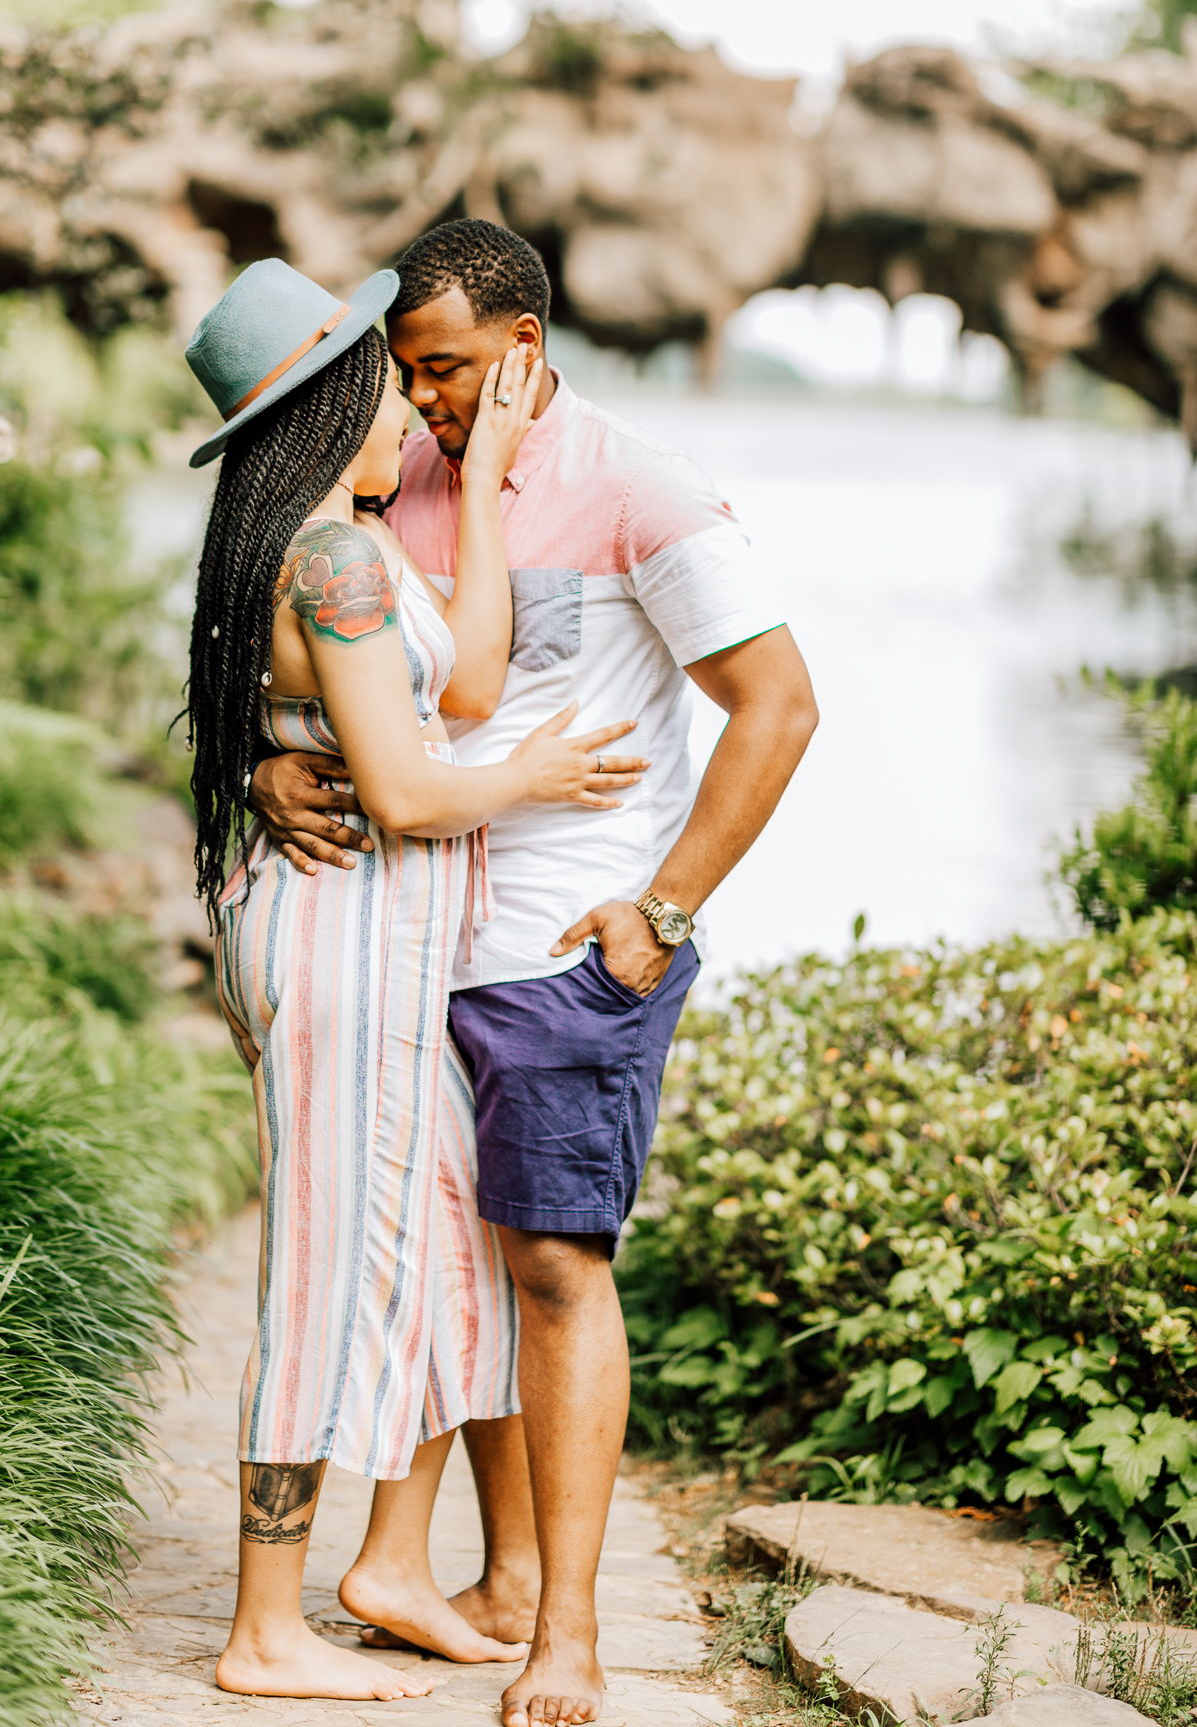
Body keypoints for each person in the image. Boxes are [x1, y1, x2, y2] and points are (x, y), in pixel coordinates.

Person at [251, 220, 819, 1727]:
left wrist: (663, 909)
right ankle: (496, 1582)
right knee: (470, 1265)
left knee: (557, 1268)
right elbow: (353, 672)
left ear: (519, 344)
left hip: (564, 955)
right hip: (406, 938)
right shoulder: (394, 471)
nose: (423, 396)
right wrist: (266, 769)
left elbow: (776, 707)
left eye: (441, 367)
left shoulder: (640, 486)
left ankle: (567, 1632)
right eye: (407, 370)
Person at [182, 255, 648, 1702]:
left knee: (443, 1239)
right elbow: (403, 788)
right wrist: (537, 776)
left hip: (384, 953)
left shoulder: (344, 548)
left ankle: (388, 1566)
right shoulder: (326, 560)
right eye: (388, 383)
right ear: (332, 408)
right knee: (324, 1266)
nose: (411, 403)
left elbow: (459, 682)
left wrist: (495, 469)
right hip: (339, 945)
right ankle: (265, 1629)